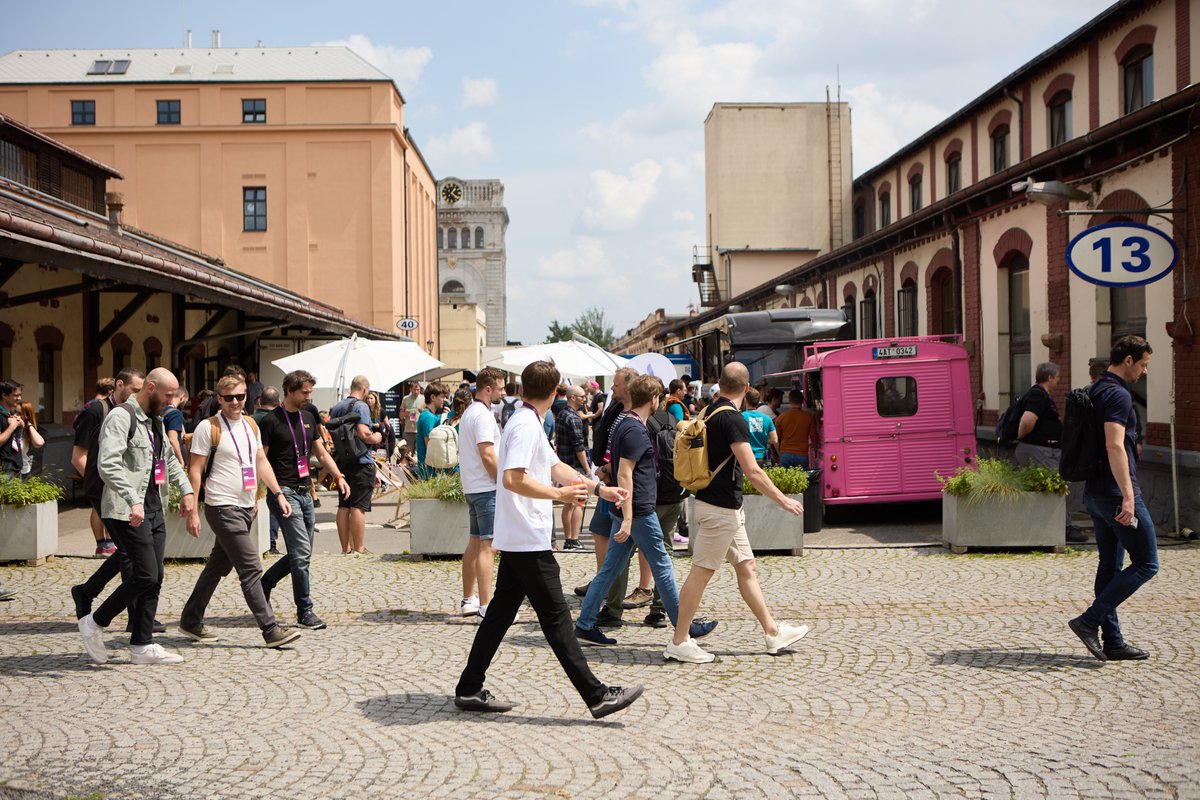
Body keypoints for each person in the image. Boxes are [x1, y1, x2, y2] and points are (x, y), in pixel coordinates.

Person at [453, 360, 642, 719]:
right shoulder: (525, 425)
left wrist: (600, 489)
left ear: (524, 389)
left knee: (498, 617)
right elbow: (512, 479)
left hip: (521, 537)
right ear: (555, 393)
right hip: (526, 538)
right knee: (557, 621)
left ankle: (469, 688)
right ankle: (597, 695)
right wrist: (561, 497)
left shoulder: (527, 421)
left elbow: (556, 467)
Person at [666, 362, 811, 664]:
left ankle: (772, 632)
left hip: (719, 505)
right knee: (701, 573)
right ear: (747, 389)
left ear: (720, 383)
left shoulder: (709, 410)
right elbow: (753, 470)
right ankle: (679, 641)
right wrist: (782, 500)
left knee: (747, 568)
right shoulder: (732, 418)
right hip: (720, 510)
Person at [574, 374, 718, 647]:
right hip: (638, 511)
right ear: (653, 399)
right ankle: (684, 628)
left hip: (631, 510)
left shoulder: (626, 424)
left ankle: (584, 623)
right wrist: (628, 517)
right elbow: (625, 474)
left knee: (610, 569)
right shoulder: (635, 430)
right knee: (662, 565)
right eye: (659, 398)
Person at [76, 368, 197, 665]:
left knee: (155, 577)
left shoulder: (155, 420)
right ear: (151, 388)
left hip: (154, 506)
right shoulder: (120, 417)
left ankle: (142, 645)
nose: (172, 402)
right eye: (168, 395)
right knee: (144, 574)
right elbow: (107, 464)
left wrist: (188, 491)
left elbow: (168, 458)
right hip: (125, 509)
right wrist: (133, 499)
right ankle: (94, 623)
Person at [179, 375, 301, 649]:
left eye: (240, 396)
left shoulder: (250, 425)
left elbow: (259, 461)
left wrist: (276, 493)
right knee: (251, 567)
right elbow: (195, 470)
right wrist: (194, 510)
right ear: (219, 399)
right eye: (229, 397)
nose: (235, 402)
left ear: (248, 397)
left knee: (217, 566)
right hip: (221, 506)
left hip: (246, 506)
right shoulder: (206, 428)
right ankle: (270, 629)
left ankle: (190, 618)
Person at [1068, 335, 1158, 663]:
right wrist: (1129, 497)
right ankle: (1089, 621)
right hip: (1116, 494)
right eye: (1144, 364)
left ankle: (1114, 642)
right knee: (1148, 563)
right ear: (1129, 360)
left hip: (1095, 491)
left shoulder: (1096, 389)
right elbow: (1114, 445)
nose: (1145, 372)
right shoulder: (1118, 394)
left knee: (1110, 566)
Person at [259, 370, 351, 630]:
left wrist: (338, 476)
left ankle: (265, 583)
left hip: (305, 491)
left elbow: (320, 453)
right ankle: (305, 611)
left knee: (302, 554)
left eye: (310, 391)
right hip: (283, 492)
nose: (309, 396)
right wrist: (265, 493)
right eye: (305, 392)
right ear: (289, 390)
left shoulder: (309, 416)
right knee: (300, 555)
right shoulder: (271, 421)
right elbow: (261, 459)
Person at [69, 370, 154, 618]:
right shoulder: (96, 411)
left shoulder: (136, 413)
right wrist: (101, 485)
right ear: (119, 385)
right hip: (104, 489)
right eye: (136, 389)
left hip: (127, 489)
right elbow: (78, 456)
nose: (140, 395)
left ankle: (87, 592)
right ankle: (134, 615)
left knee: (130, 550)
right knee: (131, 550)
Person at [576, 366, 635, 626]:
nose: (611, 388)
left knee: (652, 553)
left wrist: (605, 470)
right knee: (601, 533)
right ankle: (603, 587)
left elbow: (629, 457)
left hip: (620, 488)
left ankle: (654, 604)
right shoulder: (615, 409)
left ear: (629, 386)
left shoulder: (633, 416)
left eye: (616, 384)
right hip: (608, 485)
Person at [1014, 362, 1086, 544]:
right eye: (1057, 377)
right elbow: (1027, 421)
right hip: (1041, 451)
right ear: (1050, 377)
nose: (1059, 380)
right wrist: (1023, 437)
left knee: (1045, 489)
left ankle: (1043, 526)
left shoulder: (1037, 394)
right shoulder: (1038, 395)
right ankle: (1064, 527)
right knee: (1055, 487)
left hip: (1042, 449)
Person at [458, 367, 505, 618]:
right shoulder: (483, 416)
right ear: (488, 389)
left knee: (476, 543)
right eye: (500, 388)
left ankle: (469, 599)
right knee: (488, 546)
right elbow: (487, 454)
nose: (504, 392)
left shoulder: (470, 413)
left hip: (474, 486)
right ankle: (487, 605)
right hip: (486, 487)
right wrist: (505, 481)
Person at [330, 376, 384, 556]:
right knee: (358, 506)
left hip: (341, 461)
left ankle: (345, 548)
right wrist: (376, 437)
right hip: (361, 461)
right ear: (365, 389)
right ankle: (359, 549)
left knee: (344, 505)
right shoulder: (362, 406)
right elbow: (363, 433)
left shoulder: (337, 407)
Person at [555, 385, 591, 551]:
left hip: (563, 465)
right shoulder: (574, 418)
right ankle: (574, 539)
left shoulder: (562, 414)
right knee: (579, 503)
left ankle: (569, 540)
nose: (585, 398)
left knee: (568, 503)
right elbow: (579, 446)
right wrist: (587, 469)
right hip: (576, 467)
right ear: (573, 397)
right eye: (583, 396)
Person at [252, 386, 282, 553]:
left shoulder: (249, 419)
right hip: (272, 468)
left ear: (259, 401)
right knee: (273, 505)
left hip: (251, 468)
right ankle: (271, 542)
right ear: (278, 402)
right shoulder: (278, 420)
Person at [774, 389, 818, 468]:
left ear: (790, 401)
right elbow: (814, 438)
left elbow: (777, 437)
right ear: (802, 401)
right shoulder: (808, 417)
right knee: (802, 479)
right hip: (802, 455)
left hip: (785, 454)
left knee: (785, 479)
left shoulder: (781, 418)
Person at [416, 382, 449, 478]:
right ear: (433, 397)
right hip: (429, 473)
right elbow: (430, 446)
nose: (444, 400)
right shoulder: (428, 417)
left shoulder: (427, 415)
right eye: (442, 397)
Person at [742, 388, 779, 467]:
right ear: (758, 401)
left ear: (746, 400)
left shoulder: (740, 417)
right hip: (763, 458)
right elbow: (775, 439)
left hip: (746, 458)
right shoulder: (767, 418)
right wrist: (764, 439)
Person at [0, 380, 26, 478]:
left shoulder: (10, 414)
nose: (19, 398)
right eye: (15, 395)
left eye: (20, 395)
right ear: (4, 395)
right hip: (5, 469)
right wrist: (12, 426)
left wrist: (21, 427)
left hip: (15, 467)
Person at [16, 402, 44, 477]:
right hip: (11, 472)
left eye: (19, 413)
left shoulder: (30, 431)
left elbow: (39, 443)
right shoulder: (11, 427)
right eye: (14, 412)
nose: (15, 415)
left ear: (27, 416)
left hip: (24, 473)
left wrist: (28, 425)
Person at [164, 388, 188, 471]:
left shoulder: (160, 410)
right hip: (171, 458)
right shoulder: (175, 413)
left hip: (158, 457)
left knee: (159, 481)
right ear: (182, 397)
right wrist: (181, 461)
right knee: (172, 483)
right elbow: (173, 438)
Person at [400, 381, 425, 451]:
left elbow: (428, 413)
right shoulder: (405, 399)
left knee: (419, 452)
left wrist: (422, 411)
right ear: (410, 389)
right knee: (408, 452)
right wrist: (405, 413)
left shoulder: (424, 399)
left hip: (419, 430)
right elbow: (400, 415)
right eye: (414, 389)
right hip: (408, 430)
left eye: (418, 390)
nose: (416, 391)